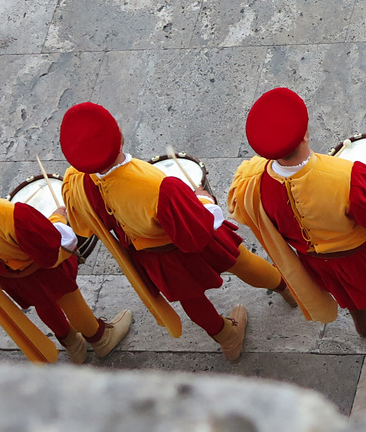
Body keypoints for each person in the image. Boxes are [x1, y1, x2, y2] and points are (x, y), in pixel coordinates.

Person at [59, 102, 295, 362]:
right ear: (120, 136)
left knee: (190, 298)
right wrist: (204, 200)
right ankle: (286, 288)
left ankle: (227, 338)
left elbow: (85, 224)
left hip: (152, 256)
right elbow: (198, 231)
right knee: (240, 261)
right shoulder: (161, 187)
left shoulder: (76, 182)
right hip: (187, 240)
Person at [228, 87, 366, 346]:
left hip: (315, 259)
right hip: (359, 256)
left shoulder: (253, 184)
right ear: (305, 134)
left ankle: (363, 319)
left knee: (344, 288)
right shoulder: (346, 175)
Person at [0, 136, 132, 364]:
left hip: (11, 280)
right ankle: (100, 339)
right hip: (44, 271)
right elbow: (52, 247)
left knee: (43, 305)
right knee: (71, 300)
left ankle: (72, 344)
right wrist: (58, 218)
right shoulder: (11, 214)